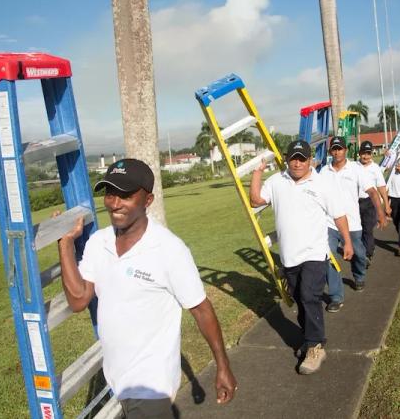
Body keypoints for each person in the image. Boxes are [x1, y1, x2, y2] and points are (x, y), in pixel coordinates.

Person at [57, 158, 236, 418]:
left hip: (151, 384)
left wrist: (223, 365)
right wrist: (65, 245)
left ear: (148, 200)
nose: (115, 203)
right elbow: (78, 300)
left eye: (126, 195)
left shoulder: (169, 250)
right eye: (110, 193)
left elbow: (201, 309)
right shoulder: (99, 242)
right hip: (118, 380)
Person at [249, 140, 351, 375]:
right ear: (286, 159)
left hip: (315, 253)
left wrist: (346, 240)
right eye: (293, 158)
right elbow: (256, 200)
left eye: (302, 158)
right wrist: (257, 173)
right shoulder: (276, 181)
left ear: (310, 160)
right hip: (289, 256)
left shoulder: (322, 183)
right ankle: (311, 338)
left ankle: (315, 346)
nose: (297, 162)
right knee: (300, 299)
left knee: (309, 295)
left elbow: (338, 214)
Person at [319, 137, 386, 313]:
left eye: (340, 148)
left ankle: (359, 275)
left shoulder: (356, 170)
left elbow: (372, 191)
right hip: (330, 223)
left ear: (345, 150)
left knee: (358, 253)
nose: (337, 152)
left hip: (352, 222)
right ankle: (336, 296)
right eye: (334, 149)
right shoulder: (324, 171)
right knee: (330, 256)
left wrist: (381, 213)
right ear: (330, 152)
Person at [356, 141, 390, 266]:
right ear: (359, 153)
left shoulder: (375, 168)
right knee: (357, 230)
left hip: (370, 202)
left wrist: (386, 204)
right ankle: (360, 252)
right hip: (354, 203)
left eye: (368, 153)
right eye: (363, 153)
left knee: (368, 229)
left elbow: (381, 187)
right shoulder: (354, 166)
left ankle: (368, 254)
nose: (365, 156)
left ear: (371, 154)